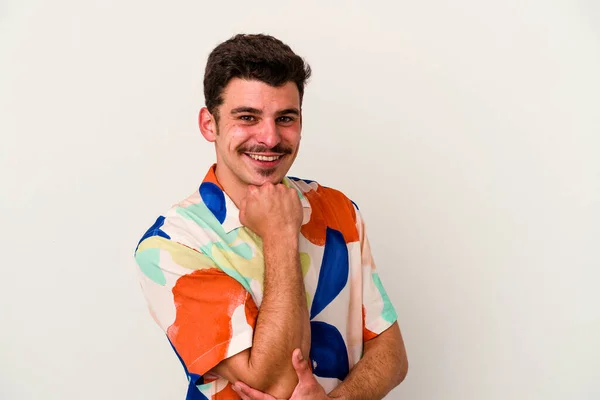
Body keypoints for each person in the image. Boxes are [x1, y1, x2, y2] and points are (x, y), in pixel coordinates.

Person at [134, 33, 408, 400]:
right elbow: (277, 382)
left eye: (285, 118)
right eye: (247, 117)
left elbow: (392, 354)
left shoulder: (338, 210)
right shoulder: (170, 246)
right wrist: (281, 232)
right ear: (209, 124)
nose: (269, 137)